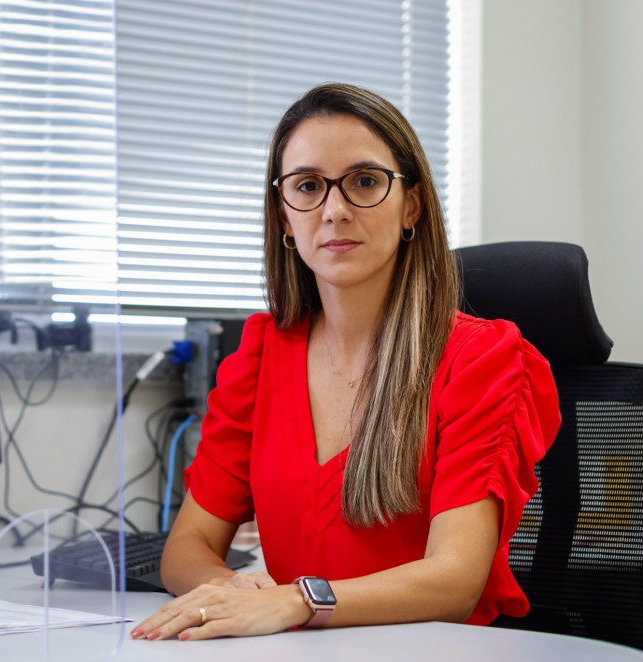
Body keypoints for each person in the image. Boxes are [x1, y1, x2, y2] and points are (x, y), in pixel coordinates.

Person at [131, 83, 561, 641]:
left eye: (363, 181)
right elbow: (186, 548)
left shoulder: (480, 359)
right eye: (307, 186)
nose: (334, 210)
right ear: (285, 217)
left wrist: (298, 601)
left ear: (411, 205)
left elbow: (456, 582)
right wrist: (226, 589)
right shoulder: (261, 356)